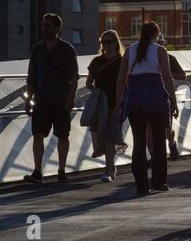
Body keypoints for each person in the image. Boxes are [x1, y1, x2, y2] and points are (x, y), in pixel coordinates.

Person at [115, 20, 179, 196]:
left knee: (139, 142)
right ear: (156, 34)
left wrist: (119, 101)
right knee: (158, 142)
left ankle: (141, 185)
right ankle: (159, 182)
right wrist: (173, 100)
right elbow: (167, 77)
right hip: (156, 97)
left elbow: (121, 79)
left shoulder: (129, 51)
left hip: (135, 97)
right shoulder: (160, 51)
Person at [24, 13, 80, 183]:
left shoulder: (67, 49)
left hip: (61, 99)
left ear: (57, 28)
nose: (44, 28)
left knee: (63, 135)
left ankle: (61, 171)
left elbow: (74, 77)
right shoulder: (37, 49)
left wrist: (71, 98)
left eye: (48, 25)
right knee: (37, 134)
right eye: (43, 25)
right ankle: (37, 172)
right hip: (41, 99)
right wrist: (29, 99)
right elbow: (32, 76)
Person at [85, 29, 124, 181]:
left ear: (116, 43)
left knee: (110, 136)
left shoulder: (122, 61)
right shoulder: (96, 62)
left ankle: (108, 170)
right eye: (103, 42)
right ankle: (111, 167)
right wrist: (97, 93)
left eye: (109, 42)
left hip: (116, 102)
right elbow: (89, 83)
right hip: (101, 104)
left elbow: (127, 81)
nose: (106, 45)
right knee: (100, 135)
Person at [159, 34, 186, 161]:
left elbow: (182, 75)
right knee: (150, 131)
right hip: (151, 97)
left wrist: (167, 74)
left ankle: (171, 143)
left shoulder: (170, 58)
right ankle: (153, 156)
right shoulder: (145, 59)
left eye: (160, 44)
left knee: (167, 129)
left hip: (165, 97)